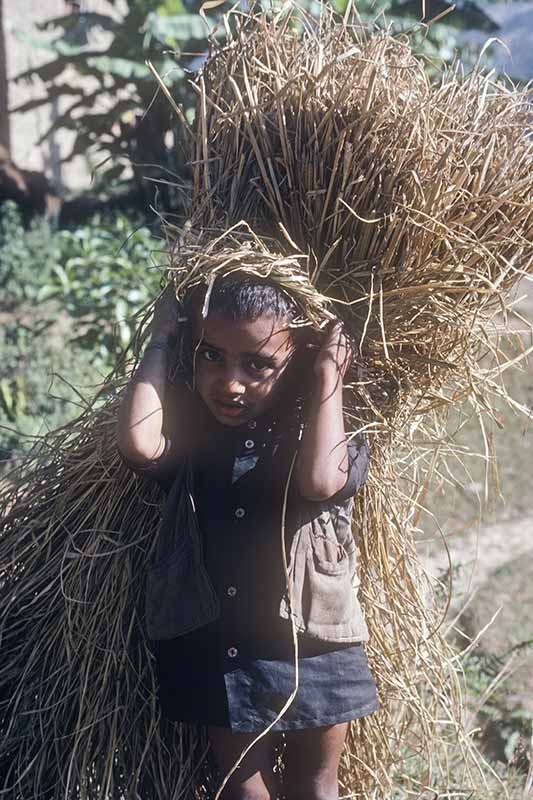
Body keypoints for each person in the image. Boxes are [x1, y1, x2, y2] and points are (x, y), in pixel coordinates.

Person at [117, 274, 378, 800]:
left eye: (257, 365)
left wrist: (328, 373)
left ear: (297, 360)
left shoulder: (323, 430)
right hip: (224, 641)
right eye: (213, 356)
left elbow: (320, 481)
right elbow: (141, 444)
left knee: (316, 783)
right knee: (242, 786)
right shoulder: (195, 428)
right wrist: (163, 337)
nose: (230, 382)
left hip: (316, 642)